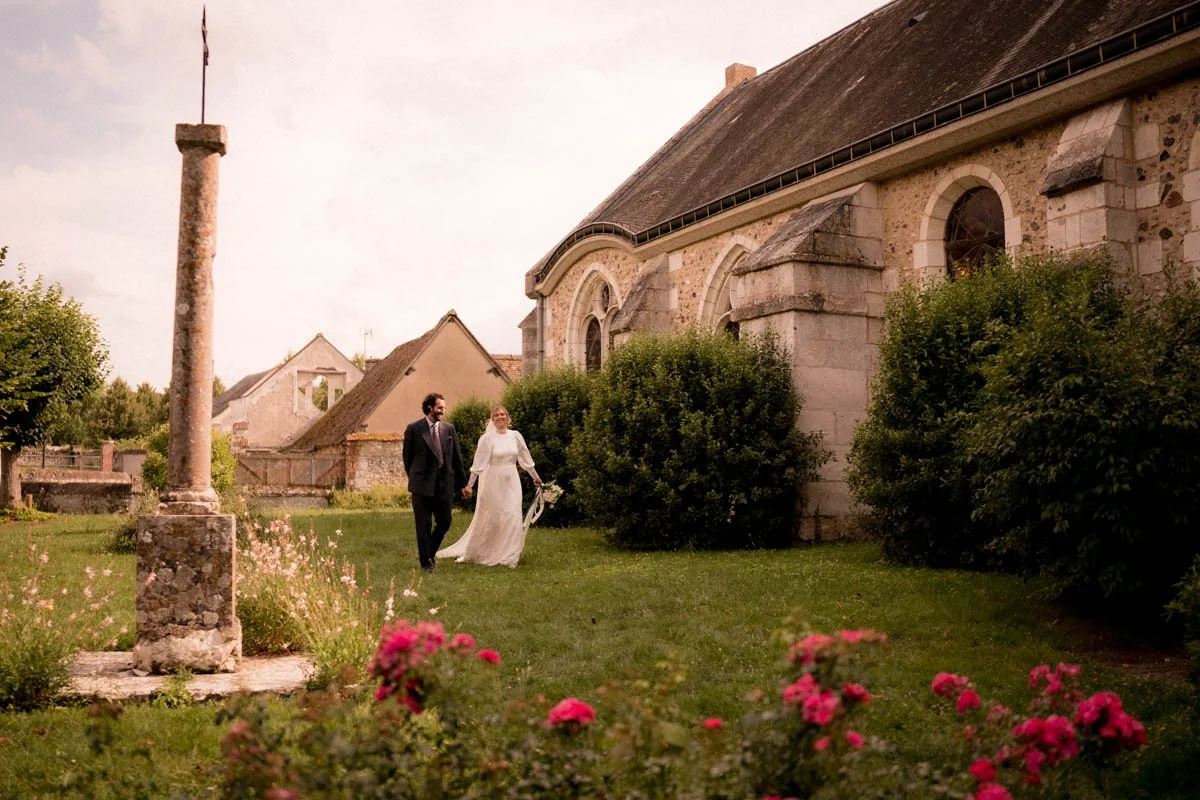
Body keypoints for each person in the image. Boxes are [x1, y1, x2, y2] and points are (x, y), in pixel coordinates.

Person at [437, 406, 541, 568]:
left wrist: (536, 477)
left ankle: (510, 556)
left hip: (511, 481)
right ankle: (488, 551)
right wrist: (470, 485)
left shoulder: (516, 436)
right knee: (494, 517)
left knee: (512, 515)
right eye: (496, 415)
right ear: (492, 419)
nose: (500, 417)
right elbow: (478, 465)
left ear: (508, 417)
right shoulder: (487, 439)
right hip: (493, 482)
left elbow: (525, 458)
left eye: (503, 414)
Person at [402, 392, 467, 572]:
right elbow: (407, 459)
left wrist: (462, 484)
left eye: (444, 408)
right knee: (423, 525)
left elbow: (456, 459)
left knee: (445, 521)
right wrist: (417, 478)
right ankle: (426, 563)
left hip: (444, 485)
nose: (442, 411)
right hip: (421, 486)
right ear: (429, 407)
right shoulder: (414, 429)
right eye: (439, 408)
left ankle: (429, 553)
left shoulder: (449, 429)